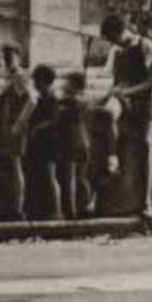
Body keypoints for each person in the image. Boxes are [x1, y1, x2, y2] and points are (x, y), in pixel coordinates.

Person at [100, 14, 152, 219]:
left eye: (113, 38)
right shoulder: (117, 51)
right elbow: (116, 81)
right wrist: (111, 94)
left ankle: (148, 202)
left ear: (120, 32)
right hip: (125, 102)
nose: (114, 43)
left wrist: (126, 92)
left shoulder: (146, 45)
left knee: (146, 145)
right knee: (105, 117)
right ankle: (112, 163)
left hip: (145, 103)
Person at [0, 45, 33, 220]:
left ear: (18, 58)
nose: (6, 61)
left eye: (10, 57)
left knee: (15, 166)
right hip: (5, 127)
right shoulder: (8, 77)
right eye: (4, 58)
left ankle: (18, 208)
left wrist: (19, 123)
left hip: (13, 127)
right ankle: (11, 206)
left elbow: (32, 100)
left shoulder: (19, 75)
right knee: (9, 167)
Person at [53, 69, 93, 220]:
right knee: (80, 178)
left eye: (68, 83)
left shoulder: (70, 103)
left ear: (75, 86)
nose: (64, 85)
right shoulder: (82, 103)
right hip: (83, 142)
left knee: (69, 179)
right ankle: (84, 207)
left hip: (71, 143)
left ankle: (71, 211)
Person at [23, 64, 60, 221]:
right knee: (42, 176)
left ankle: (56, 210)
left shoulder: (50, 99)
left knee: (50, 175)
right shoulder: (41, 98)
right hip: (39, 142)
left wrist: (36, 128)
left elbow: (53, 120)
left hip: (47, 142)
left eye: (37, 80)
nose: (35, 84)